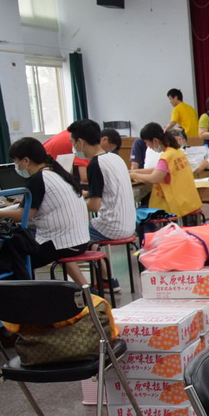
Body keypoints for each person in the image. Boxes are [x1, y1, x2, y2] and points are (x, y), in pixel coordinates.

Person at [0, 137, 89, 285]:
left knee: (8, 255)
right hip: (79, 240)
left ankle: (21, 295)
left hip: (61, 244)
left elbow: (23, 215)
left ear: (26, 160)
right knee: (20, 241)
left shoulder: (37, 179)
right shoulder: (56, 172)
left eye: (15, 160)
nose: (16, 165)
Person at [68, 119, 135, 292]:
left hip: (112, 226)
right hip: (129, 223)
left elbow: (94, 206)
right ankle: (107, 280)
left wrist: (72, 206)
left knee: (70, 237)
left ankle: (86, 288)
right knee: (86, 235)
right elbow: (107, 189)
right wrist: (86, 195)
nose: (73, 147)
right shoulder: (115, 157)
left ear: (80, 142)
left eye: (73, 143)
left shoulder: (95, 164)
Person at [131, 123, 202, 220]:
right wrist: (135, 172)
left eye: (147, 142)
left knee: (140, 213)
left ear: (155, 141)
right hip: (187, 200)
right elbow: (158, 170)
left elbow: (154, 178)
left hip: (174, 204)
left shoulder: (166, 157)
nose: (148, 146)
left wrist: (134, 174)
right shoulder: (177, 152)